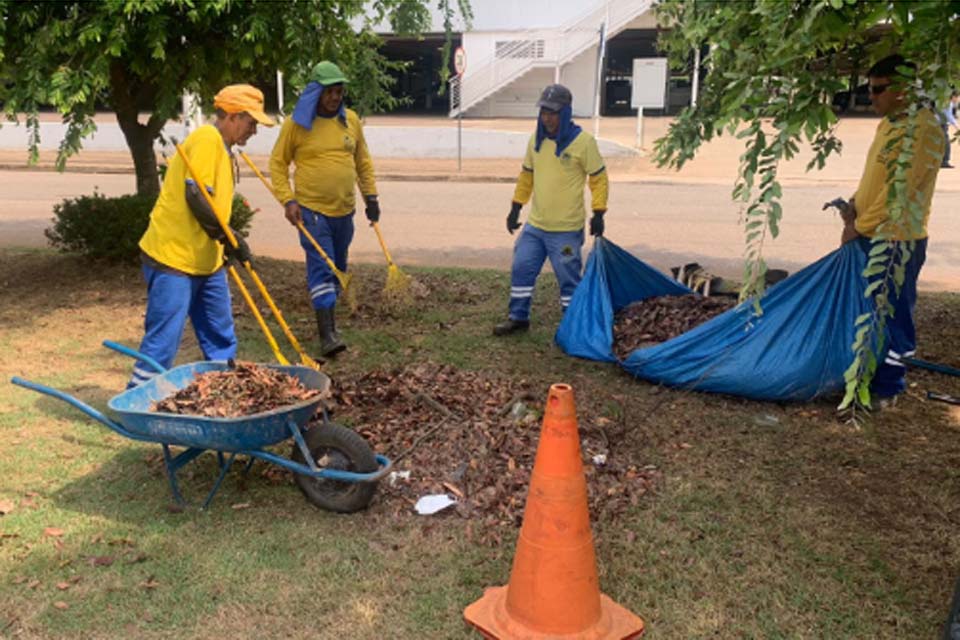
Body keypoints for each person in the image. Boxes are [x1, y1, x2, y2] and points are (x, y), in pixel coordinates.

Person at [128, 85, 275, 388]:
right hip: (174, 257)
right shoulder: (208, 139)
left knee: (220, 333)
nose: (255, 131)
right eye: (252, 123)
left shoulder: (224, 148)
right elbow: (195, 195)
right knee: (165, 338)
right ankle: (139, 399)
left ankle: (222, 389)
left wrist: (226, 242)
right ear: (233, 116)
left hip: (206, 260)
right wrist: (230, 236)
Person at [837, 54, 945, 405]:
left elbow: (899, 194)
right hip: (869, 233)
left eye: (878, 90)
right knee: (868, 310)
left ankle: (888, 386)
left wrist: (859, 227)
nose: (872, 97)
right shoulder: (889, 125)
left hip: (897, 240)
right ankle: (864, 375)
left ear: (902, 89)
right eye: (869, 89)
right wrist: (853, 204)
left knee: (893, 313)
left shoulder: (924, 130)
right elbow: (877, 179)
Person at [269, 61, 379, 357]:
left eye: (340, 91)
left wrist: (372, 198)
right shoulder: (297, 124)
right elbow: (277, 164)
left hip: (345, 212)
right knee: (323, 265)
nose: (336, 97)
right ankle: (327, 335)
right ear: (316, 92)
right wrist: (288, 200)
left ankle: (330, 319)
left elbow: (362, 162)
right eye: (330, 91)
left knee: (338, 267)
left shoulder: (351, 121)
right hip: (311, 211)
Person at [493, 84, 608, 336]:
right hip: (536, 226)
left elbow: (598, 178)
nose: (547, 118)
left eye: (553, 112)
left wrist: (599, 213)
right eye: (544, 112)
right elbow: (527, 175)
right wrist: (515, 207)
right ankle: (518, 318)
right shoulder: (536, 140)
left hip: (566, 230)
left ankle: (572, 324)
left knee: (568, 278)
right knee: (522, 267)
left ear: (565, 113)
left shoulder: (583, 142)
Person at [940, 90, 958, 168]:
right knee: (946, 143)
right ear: (954, 97)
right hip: (941, 125)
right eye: (958, 97)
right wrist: (957, 127)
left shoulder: (945, 102)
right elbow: (949, 116)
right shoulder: (949, 103)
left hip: (939, 124)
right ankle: (944, 161)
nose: (958, 100)